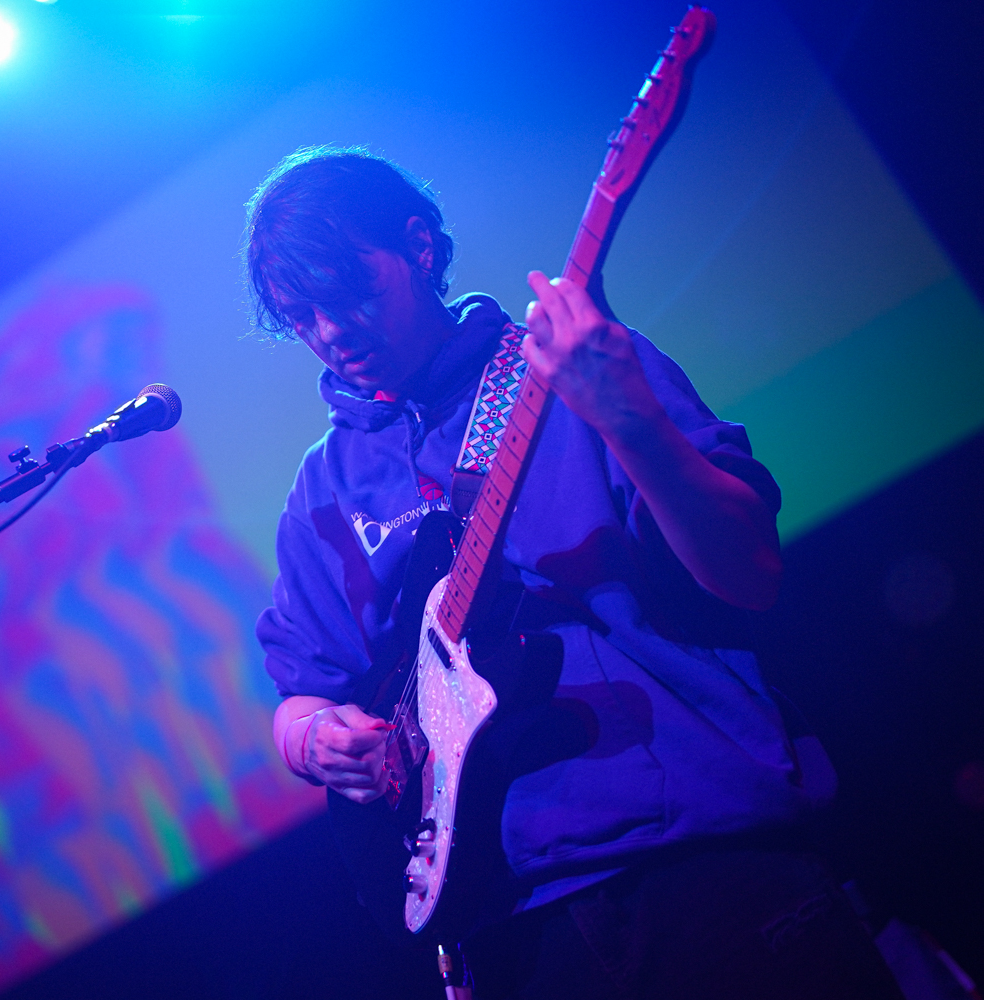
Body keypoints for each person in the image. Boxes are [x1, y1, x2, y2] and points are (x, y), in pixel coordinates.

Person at [245, 147, 903, 998]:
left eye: (348, 294)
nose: (331, 334)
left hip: (700, 863)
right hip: (508, 926)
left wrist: (625, 413)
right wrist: (317, 741)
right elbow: (302, 697)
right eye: (302, 317)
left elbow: (750, 573)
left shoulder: (575, 369)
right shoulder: (321, 490)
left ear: (419, 246)